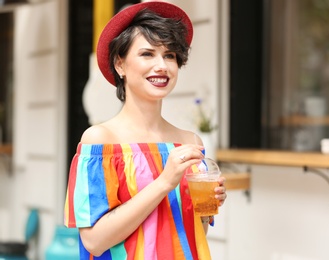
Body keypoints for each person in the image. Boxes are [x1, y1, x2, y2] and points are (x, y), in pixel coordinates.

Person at [63, 1, 227, 259]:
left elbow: (191, 235)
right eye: (147, 54)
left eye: (170, 55)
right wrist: (164, 182)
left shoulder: (189, 142)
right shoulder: (100, 141)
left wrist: (206, 209)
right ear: (120, 64)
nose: (161, 65)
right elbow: (94, 241)